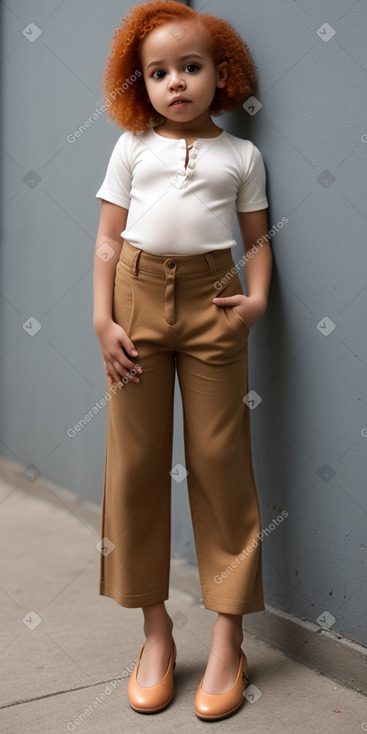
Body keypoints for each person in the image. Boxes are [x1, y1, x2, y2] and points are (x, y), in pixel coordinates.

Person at [93, 0, 272, 721]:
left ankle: (228, 637)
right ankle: (156, 635)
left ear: (219, 73)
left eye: (189, 67)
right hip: (134, 298)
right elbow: (107, 236)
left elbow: (256, 239)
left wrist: (255, 300)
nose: (175, 82)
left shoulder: (242, 155)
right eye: (158, 72)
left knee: (219, 460)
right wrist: (101, 318)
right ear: (139, 84)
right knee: (133, 464)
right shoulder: (132, 147)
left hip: (213, 300)